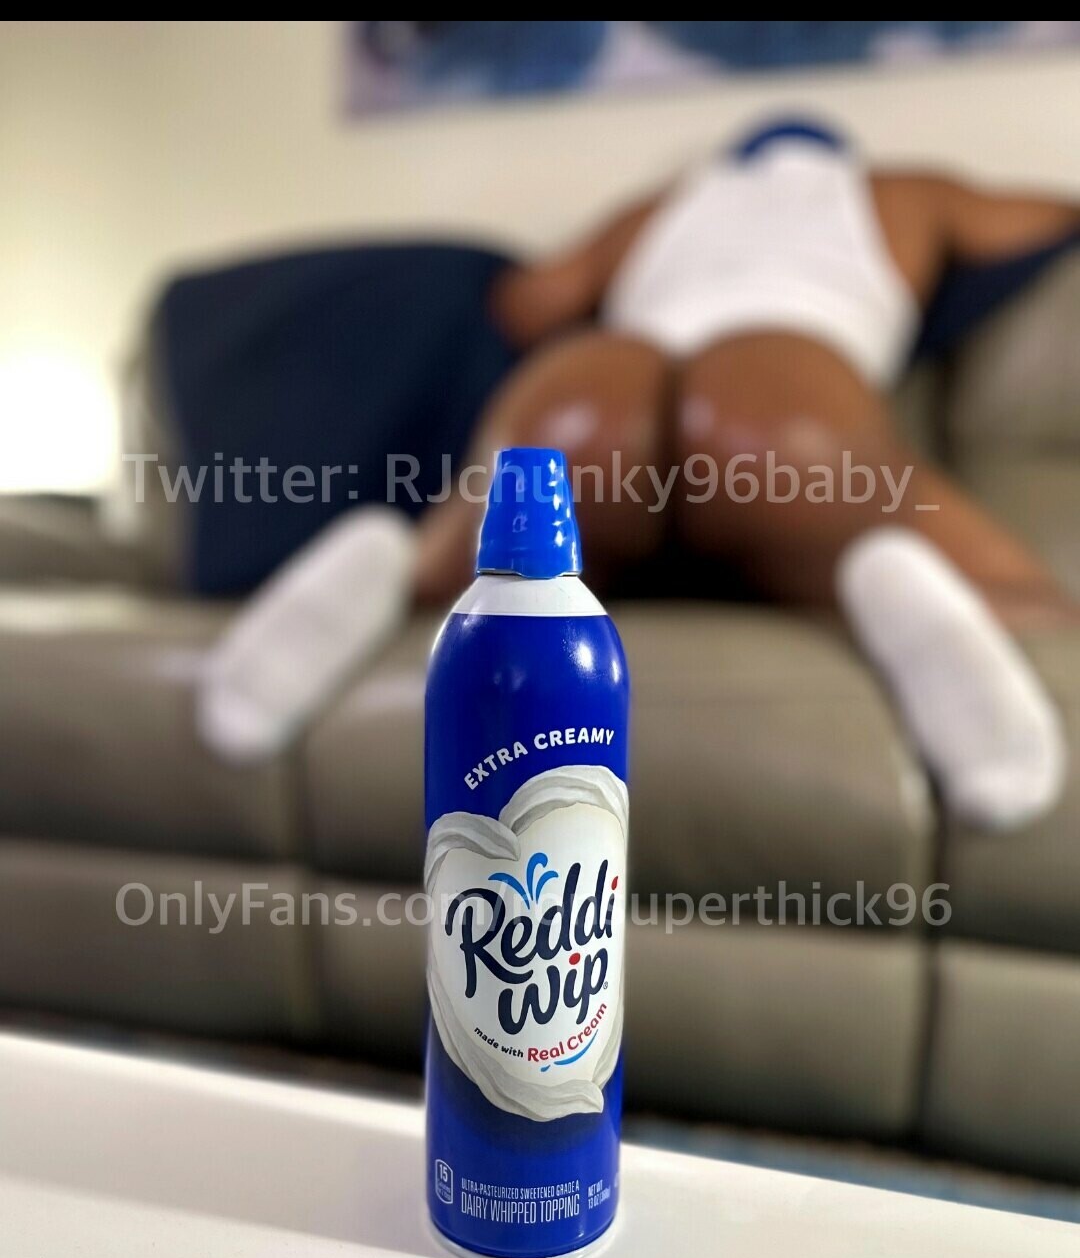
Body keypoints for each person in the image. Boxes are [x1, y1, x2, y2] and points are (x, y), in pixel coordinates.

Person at [197, 121, 1080, 831]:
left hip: (600, 383)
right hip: (778, 384)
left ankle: (407, 561)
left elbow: (528, 302)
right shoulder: (904, 190)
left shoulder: (662, 205)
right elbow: (1051, 219)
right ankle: (879, 571)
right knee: (1030, 598)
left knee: (486, 547)